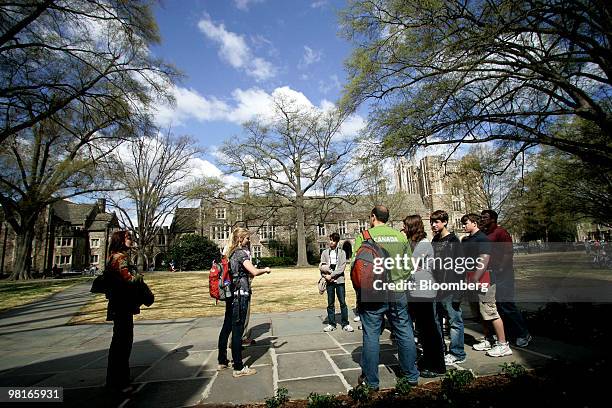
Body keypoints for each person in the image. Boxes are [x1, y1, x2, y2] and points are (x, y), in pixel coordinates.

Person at [354, 205, 419, 390]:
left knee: (371, 335)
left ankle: (372, 381)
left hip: (373, 293)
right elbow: (408, 267)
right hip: (397, 291)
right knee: (404, 331)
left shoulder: (365, 236)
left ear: (373, 217)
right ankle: (411, 375)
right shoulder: (400, 236)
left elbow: (355, 267)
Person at [217, 227, 271, 378]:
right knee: (238, 330)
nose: (249, 241)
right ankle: (239, 367)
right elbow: (253, 271)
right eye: (247, 238)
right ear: (240, 239)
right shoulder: (240, 253)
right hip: (240, 295)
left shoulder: (230, 253)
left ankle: (222, 360)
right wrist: (265, 270)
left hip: (231, 294)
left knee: (227, 326)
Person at [461, 213, 512, 358]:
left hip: (485, 280)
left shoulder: (482, 239)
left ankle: (503, 344)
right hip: (471, 280)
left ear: (474, 223)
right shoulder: (467, 240)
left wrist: (476, 278)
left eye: (466, 223)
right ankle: (489, 339)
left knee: (490, 311)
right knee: (480, 313)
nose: (464, 226)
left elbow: (484, 258)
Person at [480, 210, 532, 347]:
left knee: (507, 304)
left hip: (503, 273)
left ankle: (523, 333)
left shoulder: (501, 232)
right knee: (496, 306)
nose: (482, 219)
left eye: (485, 217)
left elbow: (508, 252)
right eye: (481, 217)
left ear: (493, 219)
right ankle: (505, 334)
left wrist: (502, 267)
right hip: (490, 273)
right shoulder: (485, 234)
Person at [403, 214, 445, 378]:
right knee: (422, 330)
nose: (404, 229)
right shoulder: (412, 243)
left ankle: (437, 365)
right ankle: (427, 359)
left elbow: (408, 265)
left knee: (430, 330)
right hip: (415, 292)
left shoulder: (423, 244)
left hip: (424, 292)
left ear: (413, 227)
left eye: (406, 226)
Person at [105, 230, 141, 393]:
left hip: (118, 303)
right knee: (123, 342)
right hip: (123, 304)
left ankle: (115, 379)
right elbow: (129, 280)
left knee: (119, 341)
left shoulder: (113, 256)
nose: (130, 240)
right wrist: (139, 276)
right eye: (128, 238)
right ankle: (120, 381)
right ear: (120, 240)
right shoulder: (120, 258)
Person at [430, 210, 466, 366]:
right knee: (437, 321)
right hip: (437, 288)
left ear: (444, 222)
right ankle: (441, 349)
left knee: (454, 321)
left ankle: (457, 352)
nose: (433, 225)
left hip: (450, 287)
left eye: (436, 222)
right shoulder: (435, 240)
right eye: (432, 222)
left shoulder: (453, 241)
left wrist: (459, 291)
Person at [320, 232, 353, 332]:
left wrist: (332, 275)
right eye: (330, 240)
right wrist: (326, 276)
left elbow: (342, 268)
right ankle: (331, 324)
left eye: (333, 240)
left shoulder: (342, 253)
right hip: (329, 281)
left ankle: (345, 323)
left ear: (337, 242)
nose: (331, 242)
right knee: (330, 303)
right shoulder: (325, 253)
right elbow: (321, 266)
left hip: (339, 281)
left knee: (342, 302)